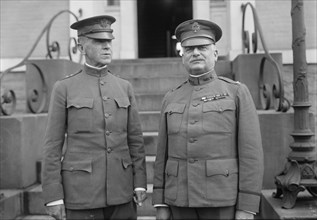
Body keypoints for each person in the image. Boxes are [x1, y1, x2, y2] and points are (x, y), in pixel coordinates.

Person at [152, 19, 264, 220]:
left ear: (215, 53)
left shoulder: (236, 92)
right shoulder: (171, 97)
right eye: (188, 49)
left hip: (221, 199)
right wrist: (160, 201)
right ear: (182, 56)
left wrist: (247, 206)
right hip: (179, 200)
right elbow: (162, 154)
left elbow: (251, 155)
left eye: (202, 47)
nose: (195, 53)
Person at [42, 15, 147, 220]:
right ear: (81, 48)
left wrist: (140, 182)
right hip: (81, 193)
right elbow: (52, 145)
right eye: (99, 42)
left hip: (122, 192)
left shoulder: (124, 87)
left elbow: (135, 141)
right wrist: (53, 196)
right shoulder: (64, 88)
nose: (107, 47)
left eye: (109, 41)